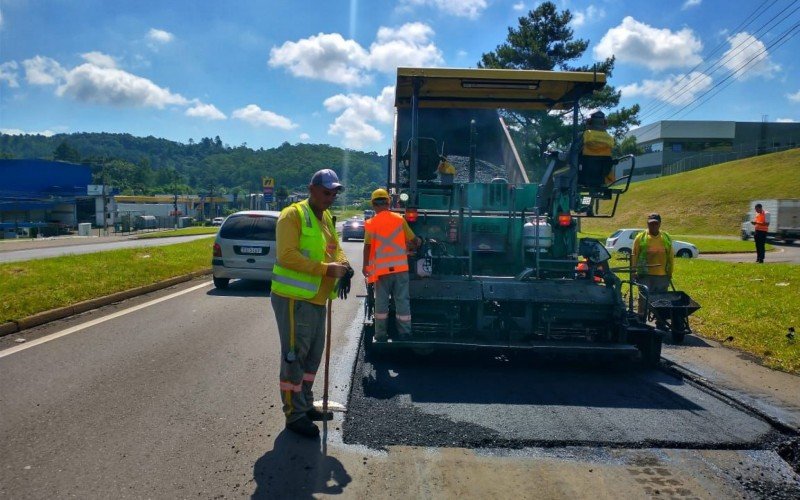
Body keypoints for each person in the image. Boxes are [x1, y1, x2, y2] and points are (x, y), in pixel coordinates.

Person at [270, 168, 352, 438]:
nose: (331, 197)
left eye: (334, 193)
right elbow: (286, 256)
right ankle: (294, 415)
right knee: (295, 356)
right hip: (295, 299)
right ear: (312, 189)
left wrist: (345, 266)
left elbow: (334, 248)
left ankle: (305, 404)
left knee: (312, 357)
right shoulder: (292, 215)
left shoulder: (326, 217)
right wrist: (325, 269)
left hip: (317, 298)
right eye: (327, 192)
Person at [362, 188, 421, 342]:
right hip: (400, 269)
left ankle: (380, 335)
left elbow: (368, 246)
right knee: (402, 300)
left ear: (373, 204)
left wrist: (365, 267)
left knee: (381, 302)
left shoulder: (371, 223)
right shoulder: (399, 219)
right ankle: (405, 333)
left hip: (381, 271)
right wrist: (419, 243)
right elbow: (413, 240)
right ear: (388, 203)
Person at [632, 213, 674, 320]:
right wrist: (633, 272)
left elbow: (670, 257)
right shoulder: (640, 237)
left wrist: (670, 273)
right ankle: (641, 321)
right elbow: (634, 255)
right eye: (651, 224)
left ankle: (660, 322)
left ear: (660, 224)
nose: (653, 226)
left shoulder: (666, 238)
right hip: (644, 275)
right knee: (643, 299)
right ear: (647, 224)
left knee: (661, 300)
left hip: (661, 275)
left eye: (656, 223)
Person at [576, 110, 615, 187]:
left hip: (583, 178)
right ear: (604, 123)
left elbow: (573, 151)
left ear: (589, 122)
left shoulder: (585, 135)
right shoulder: (610, 138)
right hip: (602, 179)